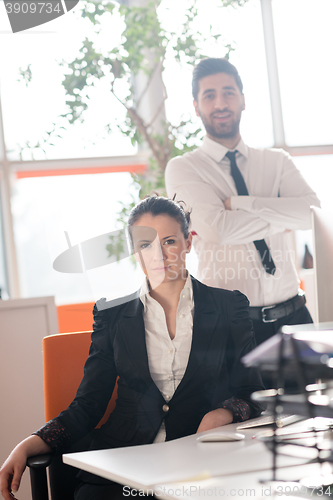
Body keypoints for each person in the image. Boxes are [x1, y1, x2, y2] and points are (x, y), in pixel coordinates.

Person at [0, 196, 264, 500]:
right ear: (135, 252)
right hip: (123, 459)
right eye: (145, 245)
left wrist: (222, 414)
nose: (158, 255)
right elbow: (87, 405)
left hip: (199, 457)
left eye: (168, 241)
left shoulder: (229, 306)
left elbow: (253, 392)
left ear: (188, 242)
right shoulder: (112, 315)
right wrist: (26, 445)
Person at [165, 57, 321, 349]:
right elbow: (218, 230)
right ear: (197, 106)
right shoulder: (184, 168)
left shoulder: (276, 161)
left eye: (228, 92)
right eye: (209, 95)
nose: (220, 103)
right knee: (238, 398)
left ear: (243, 100)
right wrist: (282, 213)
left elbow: (311, 214)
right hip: (230, 327)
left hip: (296, 318)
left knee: (316, 396)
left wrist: (239, 203)